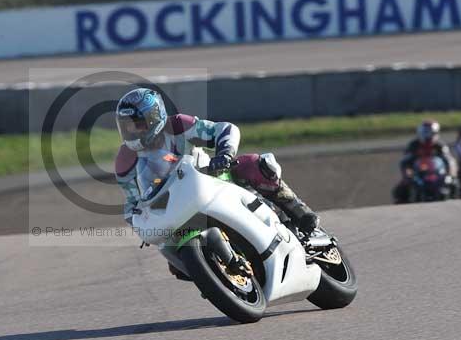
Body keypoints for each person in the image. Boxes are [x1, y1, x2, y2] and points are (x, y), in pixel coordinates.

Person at [113, 88, 319, 238]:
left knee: (251, 164)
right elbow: (133, 205)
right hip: (174, 205)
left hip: (211, 177)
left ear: (155, 118)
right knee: (175, 263)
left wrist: (225, 154)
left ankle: (298, 210)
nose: (133, 132)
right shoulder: (124, 163)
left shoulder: (177, 126)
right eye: (127, 127)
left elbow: (224, 129)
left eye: (138, 125)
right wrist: (142, 224)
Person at [393, 120, 458, 203]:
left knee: (454, 183)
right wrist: (407, 176)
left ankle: (454, 200)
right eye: (425, 133)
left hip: (437, 174)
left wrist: (450, 175)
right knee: (400, 190)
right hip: (418, 173)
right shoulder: (413, 145)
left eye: (431, 133)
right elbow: (405, 162)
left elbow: (449, 161)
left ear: (436, 134)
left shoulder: (440, 146)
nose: (428, 136)